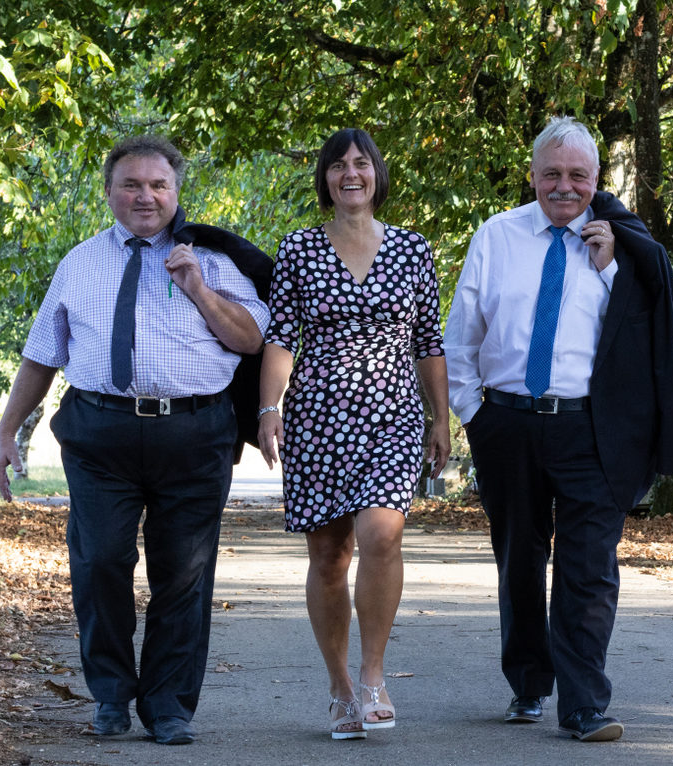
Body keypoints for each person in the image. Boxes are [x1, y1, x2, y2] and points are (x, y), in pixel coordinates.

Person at [0, 135, 269, 745]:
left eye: (158, 184)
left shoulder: (217, 260)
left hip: (194, 434)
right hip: (100, 433)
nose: (146, 195)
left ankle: (168, 705)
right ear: (111, 191)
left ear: (176, 191)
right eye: (132, 184)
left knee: (185, 574)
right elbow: (42, 356)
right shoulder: (79, 262)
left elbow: (252, 339)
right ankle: (111, 696)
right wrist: (6, 430)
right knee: (99, 564)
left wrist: (199, 287)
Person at [445, 116, 673, 742]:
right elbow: (461, 335)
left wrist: (610, 268)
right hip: (506, 423)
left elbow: (648, 333)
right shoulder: (496, 237)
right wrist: (472, 414)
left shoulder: (625, 248)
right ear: (532, 177)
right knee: (521, 560)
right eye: (552, 174)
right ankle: (529, 682)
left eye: (577, 176)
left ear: (596, 180)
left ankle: (584, 704)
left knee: (588, 568)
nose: (564, 187)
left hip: (592, 431)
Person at [256, 128, 450, 740]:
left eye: (361, 163)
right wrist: (269, 408)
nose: (350, 174)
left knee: (381, 533)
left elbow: (428, 342)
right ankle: (339, 687)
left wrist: (439, 417)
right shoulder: (299, 250)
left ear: (376, 174)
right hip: (318, 414)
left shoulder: (414, 250)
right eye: (338, 165)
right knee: (329, 555)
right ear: (326, 178)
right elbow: (281, 335)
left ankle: (373, 676)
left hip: (393, 412)